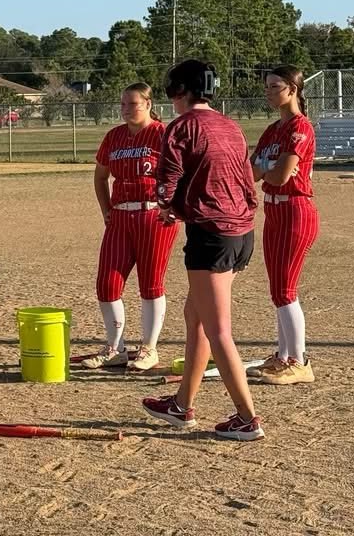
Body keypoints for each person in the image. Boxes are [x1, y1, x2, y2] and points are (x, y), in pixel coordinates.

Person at [141, 60, 265, 441]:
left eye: (172, 92)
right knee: (195, 315)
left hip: (211, 234)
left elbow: (167, 180)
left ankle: (247, 418)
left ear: (180, 91)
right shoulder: (230, 125)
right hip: (241, 231)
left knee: (218, 329)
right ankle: (181, 405)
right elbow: (243, 177)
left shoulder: (181, 127)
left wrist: (166, 207)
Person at [81, 83, 179, 371]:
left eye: (132, 104)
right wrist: (106, 209)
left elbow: (182, 174)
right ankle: (116, 348)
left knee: (150, 284)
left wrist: (173, 206)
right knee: (107, 283)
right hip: (121, 216)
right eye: (123, 104)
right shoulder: (114, 137)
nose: (126, 109)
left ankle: (149, 348)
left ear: (148, 104)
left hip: (154, 215)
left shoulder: (163, 134)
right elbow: (101, 177)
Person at [246, 66, 318, 385]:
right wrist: (267, 167)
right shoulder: (273, 130)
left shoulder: (300, 127)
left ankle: (299, 362)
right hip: (274, 210)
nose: (269, 92)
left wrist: (267, 168)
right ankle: (284, 355)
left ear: (292, 89)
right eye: (267, 87)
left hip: (294, 210)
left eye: (275, 86)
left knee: (285, 289)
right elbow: (251, 173)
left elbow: (279, 176)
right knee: (278, 289)